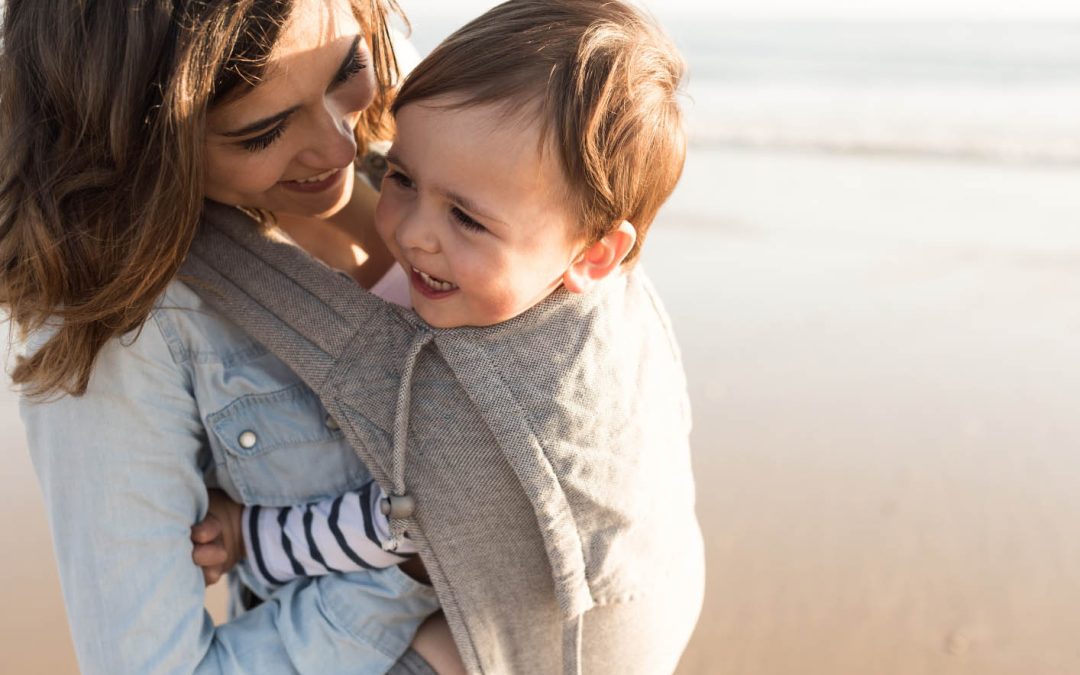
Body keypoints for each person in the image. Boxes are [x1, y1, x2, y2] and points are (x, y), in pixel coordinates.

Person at [182, 0, 705, 672]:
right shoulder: (552, 256)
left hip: (569, 646)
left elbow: (396, 531)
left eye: (466, 217)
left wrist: (248, 537)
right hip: (667, 581)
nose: (412, 232)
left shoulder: (510, 403)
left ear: (595, 254)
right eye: (402, 176)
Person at [0, 1, 446, 672]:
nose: (339, 146)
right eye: (263, 132)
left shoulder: (441, 115)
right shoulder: (117, 328)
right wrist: (426, 568)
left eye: (347, 68)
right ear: (143, 143)